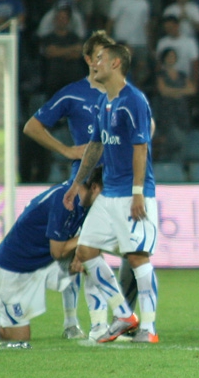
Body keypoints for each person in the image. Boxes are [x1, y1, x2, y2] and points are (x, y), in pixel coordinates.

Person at [23, 30, 135, 341]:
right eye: (98, 56)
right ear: (88, 59)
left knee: (113, 251)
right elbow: (32, 126)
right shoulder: (73, 94)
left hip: (119, 182)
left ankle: (110, 322)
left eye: (108, 56)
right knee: (83, 252)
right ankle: (79, 322)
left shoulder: (123, 93)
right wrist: (67, 150)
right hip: (86, 184)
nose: (104, 61)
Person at [0, 167, 133, 347]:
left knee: (92, 261)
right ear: (94, 187)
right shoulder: (65, 200)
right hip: (14, 268)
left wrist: (84, 250)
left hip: (47, 264)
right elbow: (58, 251)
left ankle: (99, 328)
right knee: (16, 337)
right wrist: (87, 240)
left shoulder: (88, 203)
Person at [62, 42, 160, 344]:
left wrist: (138, 192)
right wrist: (77, 183)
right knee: (86, 250)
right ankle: (123, 314)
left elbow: (141, 147)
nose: (94, 64)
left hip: (132, 193)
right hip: (109, 193)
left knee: (137, 257)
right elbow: (95, 145)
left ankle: (149, 328)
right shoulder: (104, 102)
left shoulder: (134, 100)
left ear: (116, 63)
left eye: (100, 59)